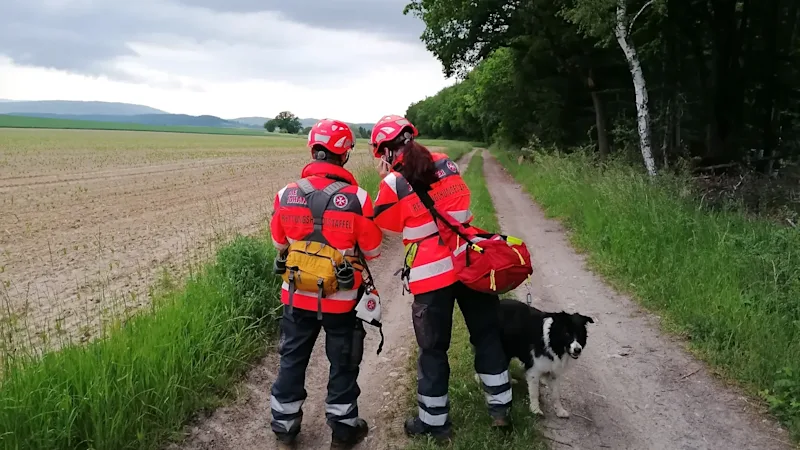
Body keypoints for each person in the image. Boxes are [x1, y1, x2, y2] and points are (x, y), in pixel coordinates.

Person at [369, 115, 513, 441]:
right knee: (487, 335)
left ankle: (435, 424)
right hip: (469, 263)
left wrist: (388, 180)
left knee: (433, 351)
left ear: (387, 152)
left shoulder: (393, 183)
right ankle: (501, 411)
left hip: (431, 275)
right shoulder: (447, 164)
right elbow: (461, 206)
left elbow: (389, 223)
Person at [269, 118, 383, 449]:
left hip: (295, 294)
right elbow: (373, 251)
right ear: (344, 155)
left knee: (292, 357)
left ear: (314, 150)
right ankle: (344, 429)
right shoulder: (358, 197)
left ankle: (284, 424)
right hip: (343, 298)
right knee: (343, 360)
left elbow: (279, 243)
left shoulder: (286, 194)